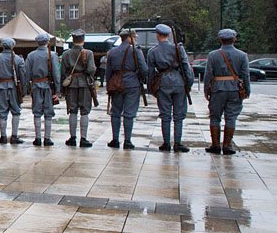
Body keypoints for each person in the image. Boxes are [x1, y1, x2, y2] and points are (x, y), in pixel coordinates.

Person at [147, 24, 194, 153]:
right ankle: (178, 143)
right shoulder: (178, 49)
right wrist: (189, 84)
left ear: (157, 35)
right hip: (179, 82)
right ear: (169, 35)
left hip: (162, 83)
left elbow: (150, 72)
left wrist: (151, 88)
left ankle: (166, 143)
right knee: (179, 115)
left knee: (165, 115)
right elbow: (186, 67)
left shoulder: (153, 51)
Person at [203, 28, 250, 155]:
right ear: (234, 39)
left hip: (217, 89)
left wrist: (206, 89)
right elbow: (245, 75)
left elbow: (208, 74)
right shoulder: (242, 55)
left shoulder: (213, 55)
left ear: (220, 40)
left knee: (214, 117)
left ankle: (215, 145)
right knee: (231, 117)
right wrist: (247, 90)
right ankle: (227, 146)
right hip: (235, 89)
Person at [105, 29, 148, 149]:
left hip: (116, 84)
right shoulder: (136, 50)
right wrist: (140, 78)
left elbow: (108, 72)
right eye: (134, 37)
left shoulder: (112, 52)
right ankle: (127, 141)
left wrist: (109, 85)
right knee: (129, 114)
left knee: (115, 113)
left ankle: (115, 139)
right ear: (129, 38)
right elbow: (144, 69)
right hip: (132, 84)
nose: (135, 39)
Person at [61, 29, 97, 148]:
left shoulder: (66, 54)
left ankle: (72, 137)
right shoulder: (89, 53)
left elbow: (63, 71)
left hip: (71, 84)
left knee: (72, 111)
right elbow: (91, 69)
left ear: (73, 40)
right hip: (85, 84)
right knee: (85, 111)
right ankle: (83, 138)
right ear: (83, 40)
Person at [24, 33, 60, 146]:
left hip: (35, 86)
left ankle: (38, 138)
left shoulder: (31, 55)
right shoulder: (52, 55)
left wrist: (27, 88)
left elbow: (27, 74)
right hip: (48, 86)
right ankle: (47, 138)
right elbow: (56, 73)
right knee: (48, 112)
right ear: (47, 42)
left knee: (37, 112)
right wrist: (58, 90)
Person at [0, 38, 26, 144]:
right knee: (16, 111)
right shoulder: (18, 59)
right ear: (13, 46)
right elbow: (23, 76)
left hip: (1, 87)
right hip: (14, 87)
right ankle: (14, 136)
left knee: (2, 112)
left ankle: (3, 136)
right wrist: (24, 90)